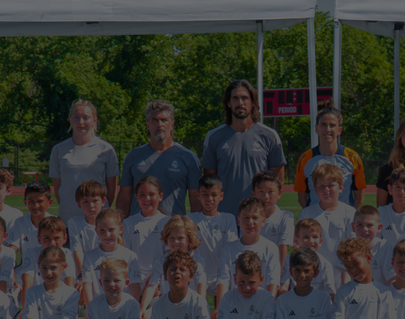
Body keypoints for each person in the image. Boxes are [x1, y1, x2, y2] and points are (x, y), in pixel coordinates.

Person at [201, 80, 285, 220]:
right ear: (228, 103)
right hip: (225, 217)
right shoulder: (214, 137)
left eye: (245, 98)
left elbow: (277, 180)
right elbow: (210, 181)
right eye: (235, 98)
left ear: (253, 103)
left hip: (258, 218)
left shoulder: (269, 136)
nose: (240, 103)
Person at [117, 100, 202, 217]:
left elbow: (196, 200)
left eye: (164, 120)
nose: (159, 124)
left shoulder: (188, 157)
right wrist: (120, 224)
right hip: (139, 226)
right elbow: (124, 198)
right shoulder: (133, 156)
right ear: (148, 124)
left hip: (174, 226)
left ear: (172, 124)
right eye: (155, 120)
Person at [49, 98, 119, 222]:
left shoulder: (106, 149)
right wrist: (69, 209)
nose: (81, 122)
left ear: (94, 120)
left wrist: (99, 212)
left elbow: (111, 191)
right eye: (76, 117)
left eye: (86, 118)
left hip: (98, 222)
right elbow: (58, 189)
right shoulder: (58, 150)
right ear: (70, 120)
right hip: (68, 220)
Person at [294, 107, 367, 208]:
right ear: (316, 128)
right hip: (316, 216)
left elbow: (359, 197)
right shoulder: (305, 159)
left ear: (339, 130)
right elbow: (302, 197)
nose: (328, 129)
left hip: (344, 216)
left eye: (332, 125)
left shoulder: (352, 158)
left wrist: (348, 214)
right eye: (323, 125)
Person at [215, 198, 281, 307]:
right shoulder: (228, 249)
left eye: (255, 218)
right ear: (239, 221)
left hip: (260, 307)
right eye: (245, 218)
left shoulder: (271, 249)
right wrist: (221, 307)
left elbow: (273, 282)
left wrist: (268, 306)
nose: (250, 222)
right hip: (235, 307)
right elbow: (223, 281)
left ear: (263, 221)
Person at [298, 164, 357, 275]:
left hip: (343, 273)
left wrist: (345, 275)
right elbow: (299, 246)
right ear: (315, 189)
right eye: (321, 186)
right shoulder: (306, 213)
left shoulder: (350, 213)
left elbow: (353, 247)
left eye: (330, 185)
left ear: (340, 187)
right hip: (315, 274)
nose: (326, 190)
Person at [78, 208, 142, 304]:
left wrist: (132, 308)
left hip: (123, 308)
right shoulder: (89, 256)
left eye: (111, 230)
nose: (107, 235)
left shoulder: (130, 256)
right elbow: (87, 285)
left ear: (120, 229)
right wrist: (90, 308)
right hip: (98, 308)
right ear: (96, 231)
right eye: (102, 231)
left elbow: (135, 286)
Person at [189, 175, 237, 299]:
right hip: (197, 274)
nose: (209, 199)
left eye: (214, 195)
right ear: (198, 195)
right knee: (198, 306)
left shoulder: (228, 219)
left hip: (222, 274)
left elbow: (232, 248)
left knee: (221, 307)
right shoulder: (190, 219)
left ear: (221, 196)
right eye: (205, 194)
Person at [8, 181, 55, 255]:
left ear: (50, 202)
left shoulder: (55, 223)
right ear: (25, 202)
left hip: (48, 262)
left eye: (40, 201)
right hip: (27, 262)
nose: (36, 206)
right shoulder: (20, 222)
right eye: (31, 202)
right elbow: (12, 247)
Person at [378, 168, 405, 242]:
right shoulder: (381, 212)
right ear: (390, 189)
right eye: (397, 187)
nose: (401, 192)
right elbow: (375, 241)